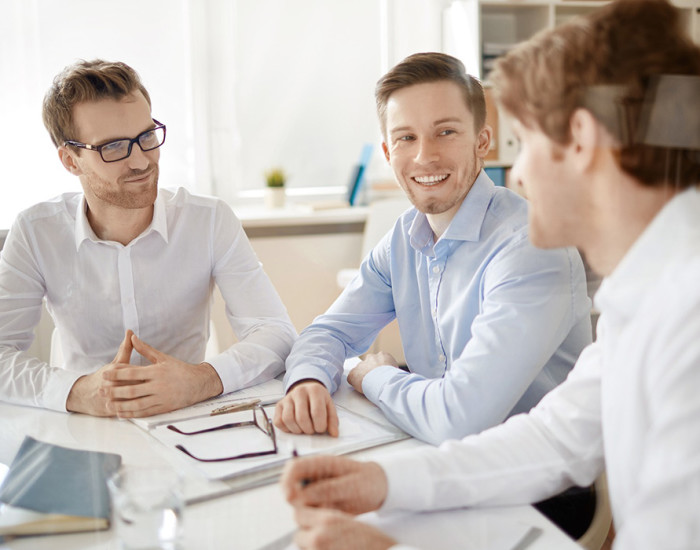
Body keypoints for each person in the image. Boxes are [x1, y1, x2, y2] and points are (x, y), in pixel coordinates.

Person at [280, 0, 700, 548]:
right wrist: (384, 483)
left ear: (581, 141)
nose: (518, 171)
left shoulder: (685, 316)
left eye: (524, 143)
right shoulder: (642, 296)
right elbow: (555, 438)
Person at [274, 52, 592, 444]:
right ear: (388, 153)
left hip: (536, 489)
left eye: (445, 132)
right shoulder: (402, 240)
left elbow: (459, 419)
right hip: (442, 459)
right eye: (406, 137)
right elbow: (328, 332)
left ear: (483, 141)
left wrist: (374, 375)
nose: (424, 156)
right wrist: (307, 379)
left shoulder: (531, 247)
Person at [0, 59, 297, 417]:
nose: (141, 162)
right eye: (112, 148)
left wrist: (201, 379)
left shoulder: (209, 220)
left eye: (147, 137)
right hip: (84, 427)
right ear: (70, 160)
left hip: (188, 422)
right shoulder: (36, 232)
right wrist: (78, 391)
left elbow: (277, 333)